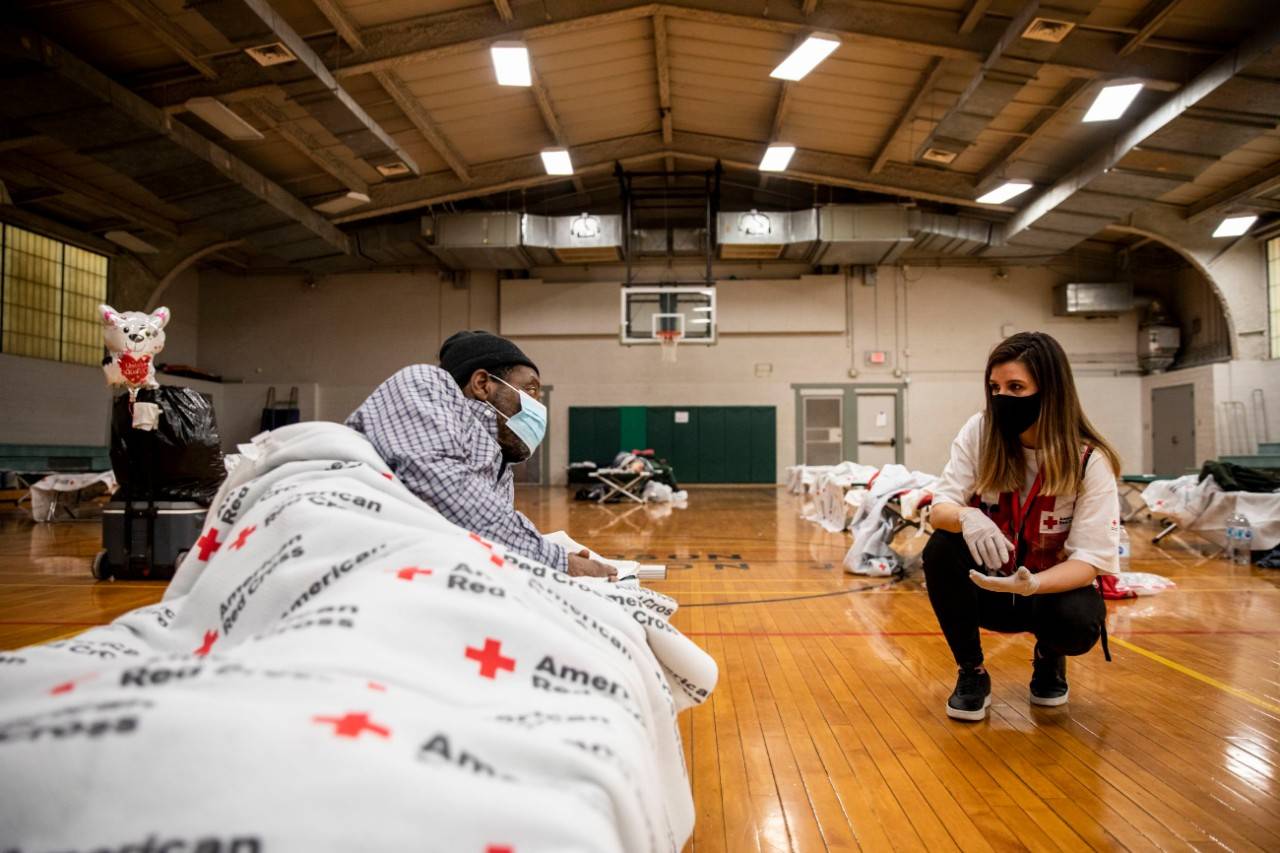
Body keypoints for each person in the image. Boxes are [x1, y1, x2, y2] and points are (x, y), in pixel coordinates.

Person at [924, 331, 1120, 721]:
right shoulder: (981, 432)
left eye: (1016, 387)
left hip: (1049, 593)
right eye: (994, 388)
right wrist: (967, 516)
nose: (1002, 398)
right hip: (989, 589)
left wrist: (1034, 585)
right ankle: (972, 673)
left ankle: (1050, 656)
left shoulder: (1089, 461)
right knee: (939, 549)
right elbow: (939, 508)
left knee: (1077, 622)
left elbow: (1092, 560)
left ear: (1050, 391)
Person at [347, 330, 615, 580]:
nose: (538, 407)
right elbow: (443, 487)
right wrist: (560, 562)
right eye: (531, 390)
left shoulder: (499, 472)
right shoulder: (424, 382)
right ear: (482, 384)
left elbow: (477, 540)